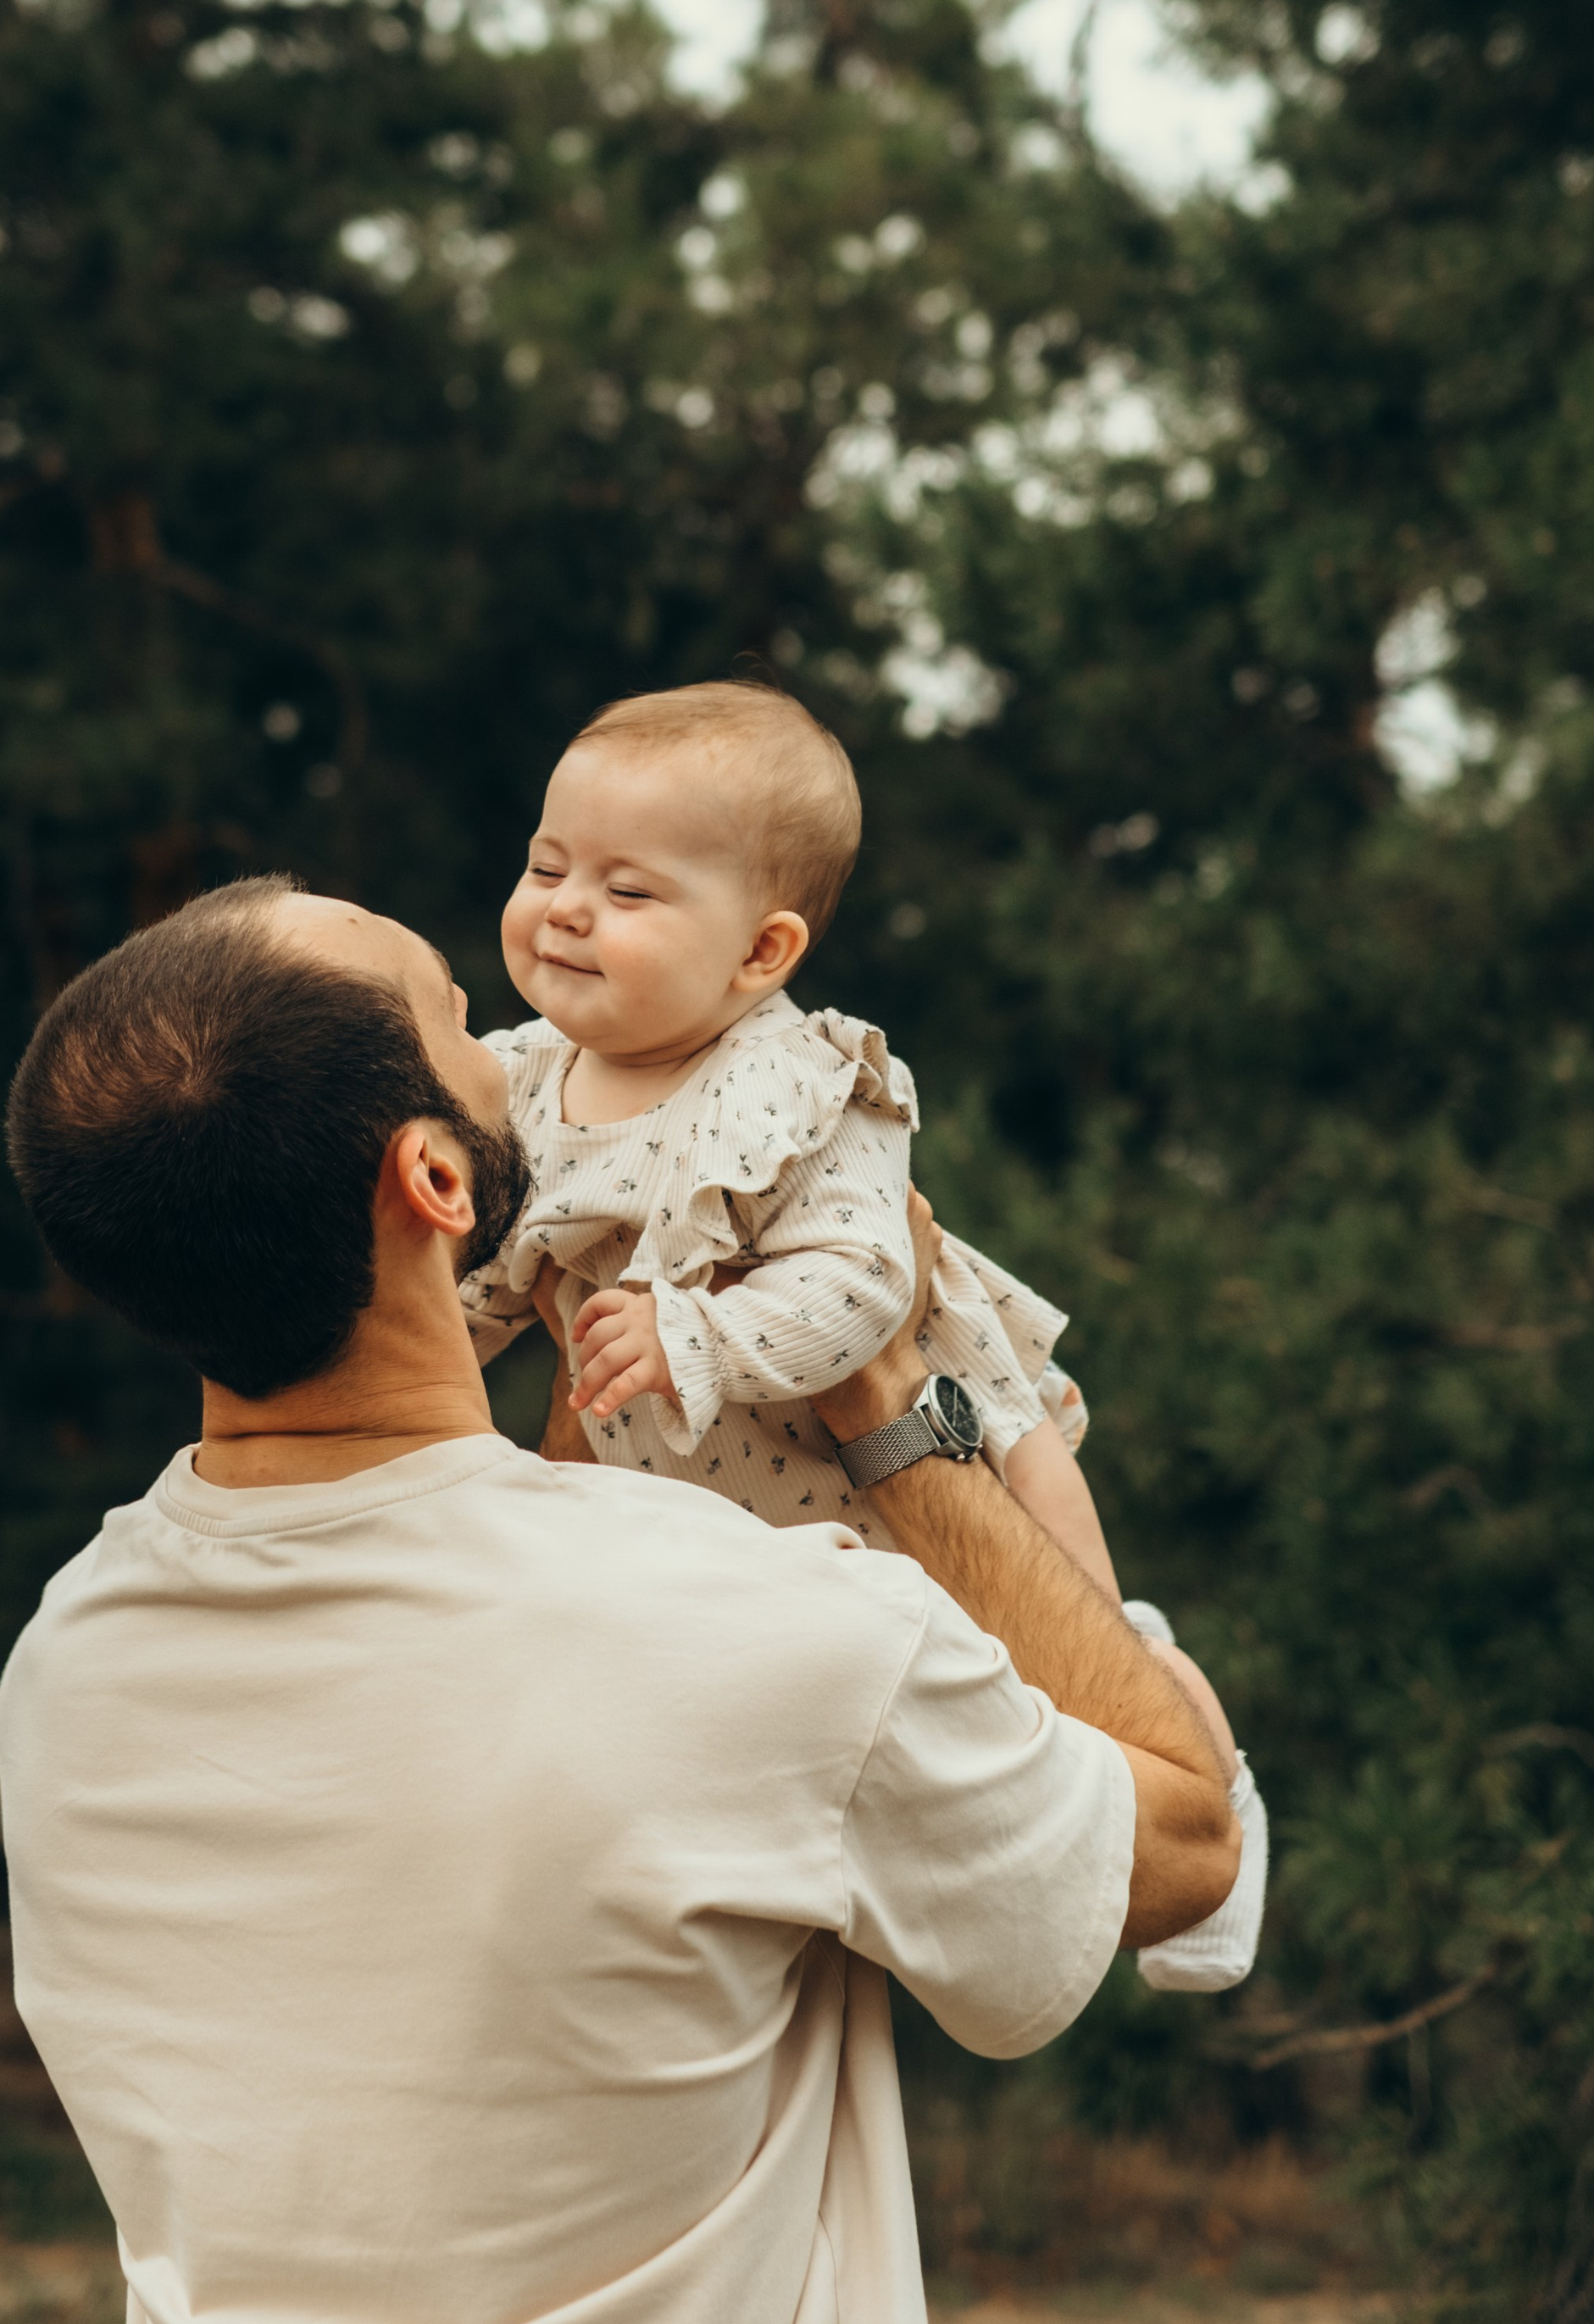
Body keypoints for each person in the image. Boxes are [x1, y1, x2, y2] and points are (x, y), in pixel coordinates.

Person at [0, 873, 1239, 2324]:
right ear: (436, 1178)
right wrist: (890, 1388)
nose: (525, 1043)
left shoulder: (70, 1664)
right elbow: (1188, 1839)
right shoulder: (761, 1629)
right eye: (462, 1020)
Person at [460, 680, 1264, 1994]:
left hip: (918, 1432)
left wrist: (702, 1336)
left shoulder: (801, 1079)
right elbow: (493, 1274)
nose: (564, 907)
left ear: (762, 951)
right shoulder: (522, 1077)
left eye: (629, 890)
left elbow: (861, 1285)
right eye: (548, 864)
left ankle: (1205, 1787)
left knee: (1079, 1632)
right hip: (731, 1492)